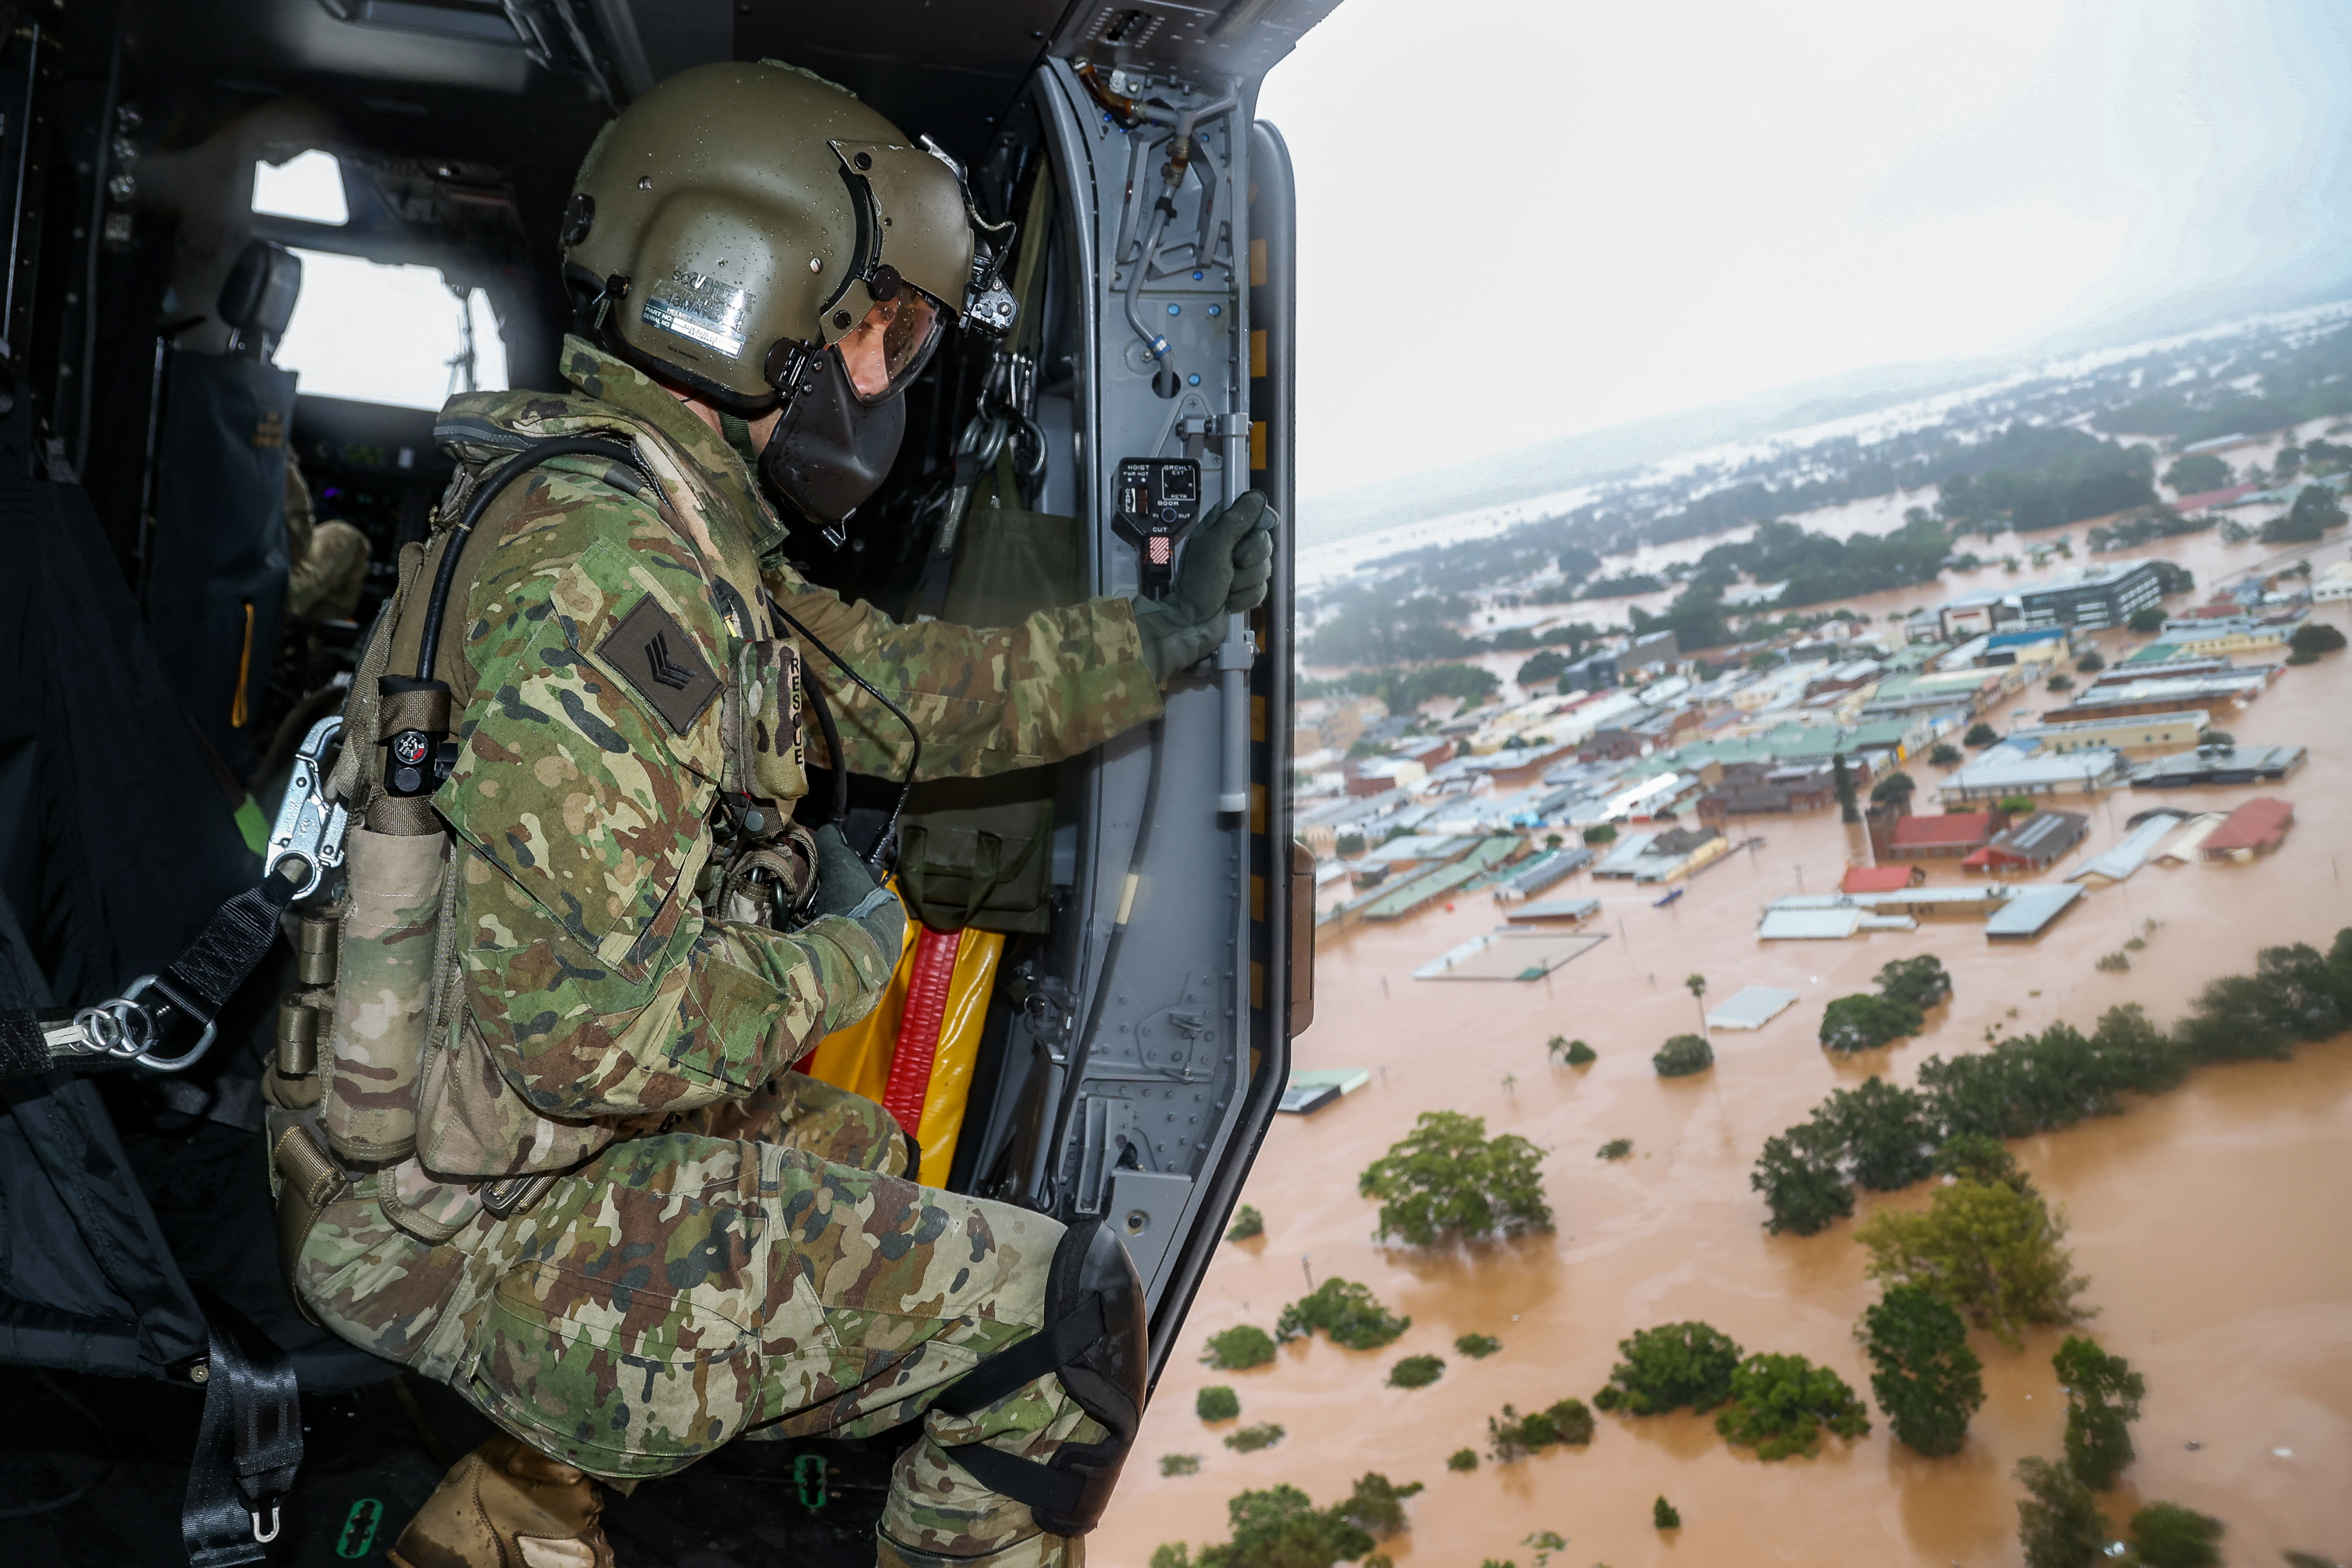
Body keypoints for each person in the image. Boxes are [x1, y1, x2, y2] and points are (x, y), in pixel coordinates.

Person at [264, 61, 1273, 1568]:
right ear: (739, 299)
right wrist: (849, 953)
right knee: (1055, 1324)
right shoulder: (615, 579)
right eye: (886, 331)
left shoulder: (643, 519)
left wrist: (1167, 640)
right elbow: (589, 1040)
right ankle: (545, 1429)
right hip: (440, 1223)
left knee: (850, 1153)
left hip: (445, 1138)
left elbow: (917, 695)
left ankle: (507, 1515)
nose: (889, 378)